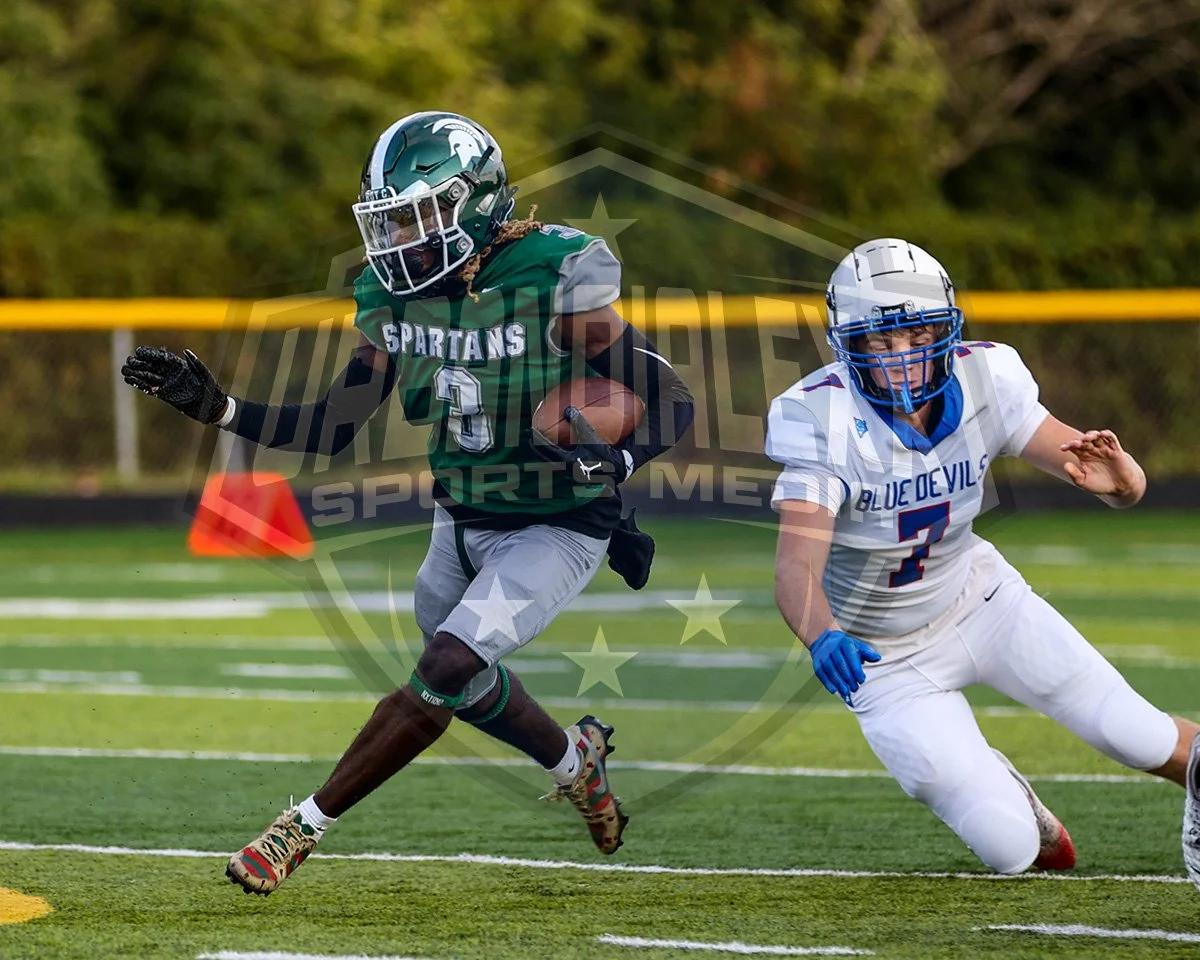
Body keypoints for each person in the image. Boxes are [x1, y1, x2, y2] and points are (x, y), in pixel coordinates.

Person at [123, 111, 694, 895]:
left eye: (417, 217)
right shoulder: (392, 298)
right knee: (463, 681)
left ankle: (301, 827)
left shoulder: (552, 277)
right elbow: (333, 425)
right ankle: (577, 764)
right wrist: (220, 409)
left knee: (446, 664)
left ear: (473, 203)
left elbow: (670, 396)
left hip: (555, 524)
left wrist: (617, 458)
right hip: (457, 517)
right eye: (389, 220)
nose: (398, 239)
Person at [766, 237, 1199, 875]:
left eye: (917, 335)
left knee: (1136, 733)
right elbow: (795, 566)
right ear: (847, 346)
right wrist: (822, 634)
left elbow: (1092, 470)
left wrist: (1126, 482)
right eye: (879, 342)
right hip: (883, 658)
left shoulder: (987, 378)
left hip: (981, 599)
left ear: (946, 330)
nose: (902, 357)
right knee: (1010, 848)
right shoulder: (819, 418)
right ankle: (1011, 796)